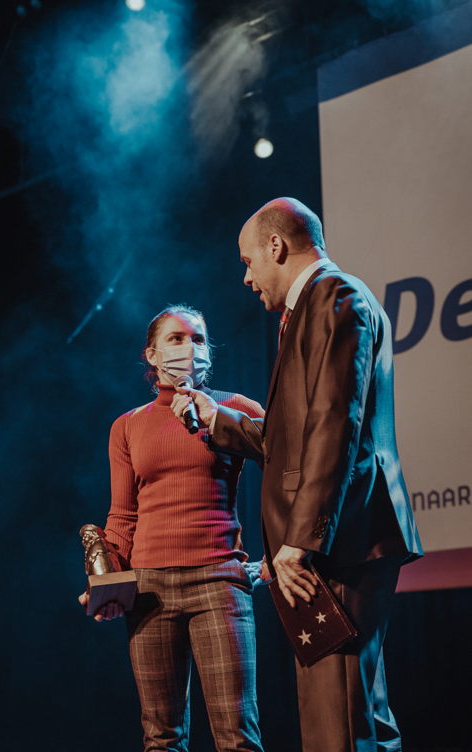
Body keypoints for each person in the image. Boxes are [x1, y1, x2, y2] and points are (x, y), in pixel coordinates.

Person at [171, 199, 423, 752]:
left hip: (342, 544)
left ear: (276, 246)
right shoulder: (320, 304)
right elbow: (296, 437)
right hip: (343, 540)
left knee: (337, 723)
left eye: (248, 262)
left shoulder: (335, 297)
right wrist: (219, 422)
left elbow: (336, 423)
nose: (246, 278)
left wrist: (301, 541)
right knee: (359, 716)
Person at [78, 304, 266, 752]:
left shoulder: (234, 407)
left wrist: (277, 557)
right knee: (161, 739)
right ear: (151, 354)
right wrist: (107, 583)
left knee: (237, 736)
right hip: (149, 589)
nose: (189, 348)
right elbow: (123, 516)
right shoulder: (128, 426)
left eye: (198, 339)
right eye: (176, 339)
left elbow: (288, 467)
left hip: (218, 582)